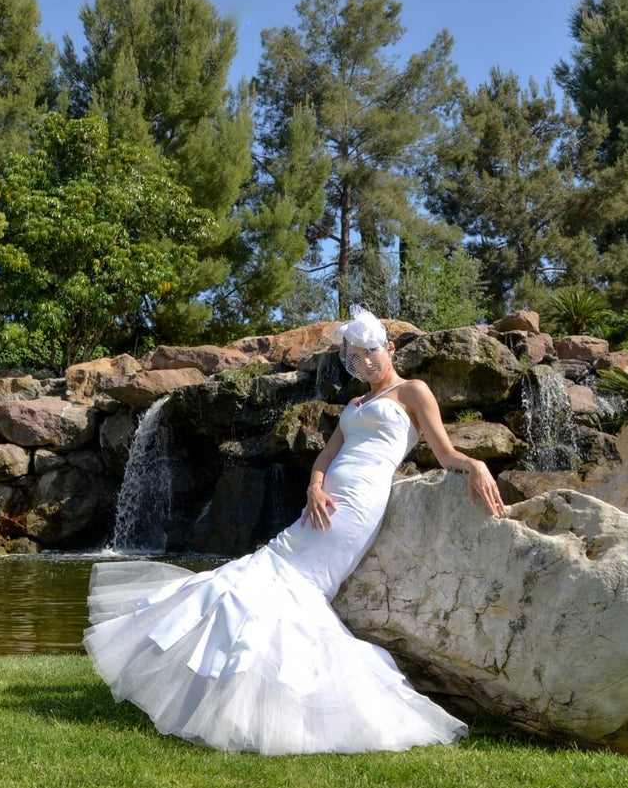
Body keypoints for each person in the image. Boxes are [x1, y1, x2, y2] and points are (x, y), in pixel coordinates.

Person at [84, 305, 506, 755]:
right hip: (323, 502)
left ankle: (259, 696)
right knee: (264, 573)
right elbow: (326, 455)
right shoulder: (354, 404)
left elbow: (444, 452)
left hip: (359, 504)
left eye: (371, 353)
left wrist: (475, 463)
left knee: (288, 584)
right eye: (356, 357)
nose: (365, 363)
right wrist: (314, 486)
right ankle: (226, 691)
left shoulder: (413, 392)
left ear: (390, 348)